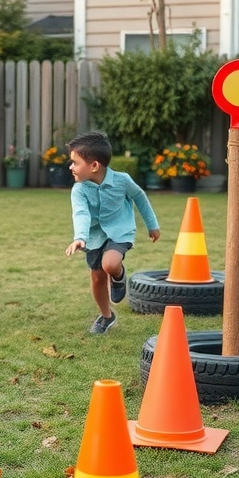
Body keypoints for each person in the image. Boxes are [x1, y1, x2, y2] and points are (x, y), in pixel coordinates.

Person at [64, 131, 160, 334]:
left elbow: (140, 198)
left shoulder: (122, 181)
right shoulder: (79, 189)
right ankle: (106, 316)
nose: (71, 167)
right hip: (94, 237)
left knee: (110, 264)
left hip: (120, 231)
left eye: (75, 162)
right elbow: (81, 214)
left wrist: (152, 225)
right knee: (97, 277)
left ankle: (119, 276)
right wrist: (80, 237)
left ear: (94, 166)